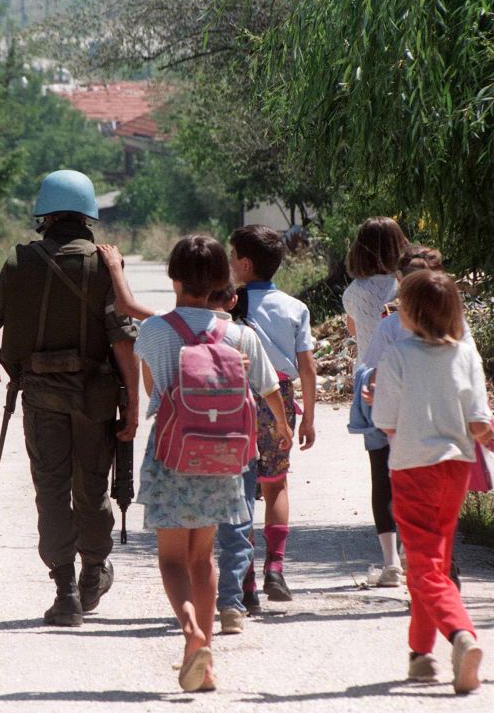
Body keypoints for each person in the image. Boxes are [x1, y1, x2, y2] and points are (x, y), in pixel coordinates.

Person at [0, 170, 139, 627]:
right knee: (92, 488)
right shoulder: (106, 265)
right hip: (96, 399)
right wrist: (135, 408)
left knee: (50, 490)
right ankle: (91, 574)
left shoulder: (18, 262)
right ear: (88, 216)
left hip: (41, 397)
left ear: (44, 214)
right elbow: (124, 343)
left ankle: (64, 591)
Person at [135, 235, 291, 691]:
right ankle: (207, 664)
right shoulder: (240, 333)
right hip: (223, 459)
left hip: (171, 455)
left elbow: (153, 395)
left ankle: (192, 635)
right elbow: (268, 391)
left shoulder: (155, 331)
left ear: (174, 278)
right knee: (203, 561)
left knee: (171, 561)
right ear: (223, 281)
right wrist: (280, 428)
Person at [371, 269, 494, 694]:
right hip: (456, 468)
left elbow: (384, 421)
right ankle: (420, 655)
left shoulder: (397, 356)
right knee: (434, 562)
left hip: (412, 469)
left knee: (421, 565)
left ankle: (462, 635)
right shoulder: (466, 355)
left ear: (411, 314)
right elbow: (479, 421)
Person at [356, 246, 474, 587]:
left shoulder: (392, 327)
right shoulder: (459, 327)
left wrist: (376, 399)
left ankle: (417, 568)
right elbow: (470, 374)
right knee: (441, 502)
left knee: (401, 495)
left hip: (405, 435)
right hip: (448, 429)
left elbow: (373, 372)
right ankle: (439, 565)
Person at [227, 225, 317, 602]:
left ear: (244, 264)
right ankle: (275, 568)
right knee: (276, 482)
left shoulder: (228, 305)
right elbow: (308, 367)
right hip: (279, 398)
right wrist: (309, 417)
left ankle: (245, 577)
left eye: (232, 257)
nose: (229, 264)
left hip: (233, 399)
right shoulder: (294, 308)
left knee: (239, 488)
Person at [341, 216, 408, 366]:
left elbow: (353, 330)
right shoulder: (404, 284)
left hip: (367, 373)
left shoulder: (353, 290)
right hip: (400, 370)